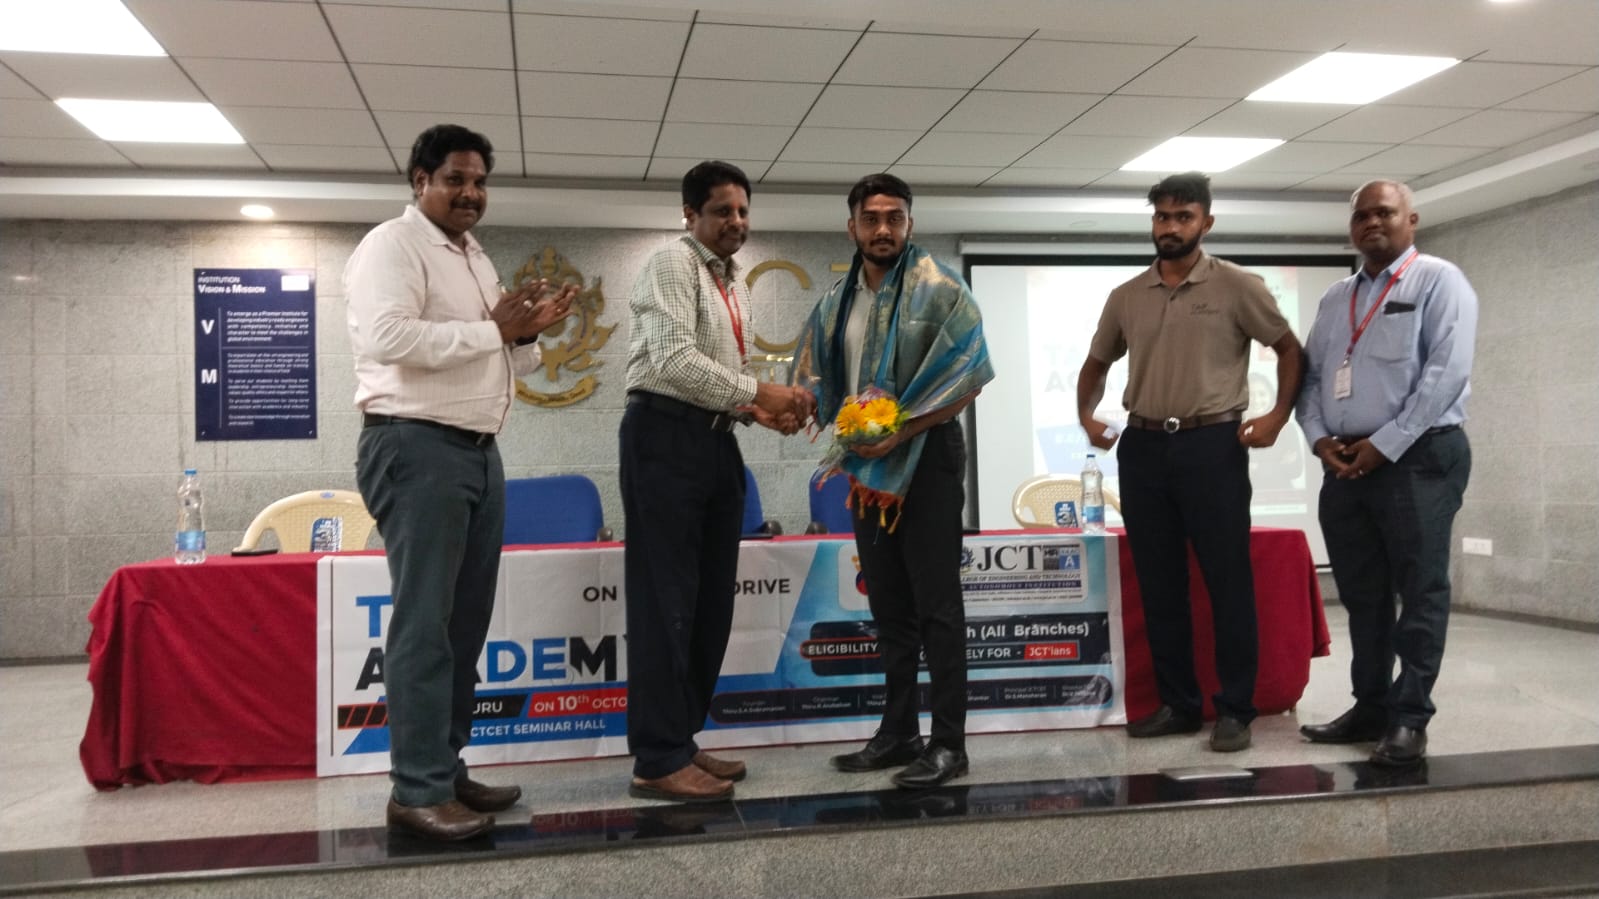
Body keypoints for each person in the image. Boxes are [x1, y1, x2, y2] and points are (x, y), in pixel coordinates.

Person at [346, 124, 577, 841]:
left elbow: (510, 361)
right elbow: (388, 338)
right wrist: (494, 332)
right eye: (455, 179)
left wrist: (527, 333)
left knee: (464, 624)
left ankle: (444, 770)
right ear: (420, 181)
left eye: (479, 181)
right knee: (425, 626)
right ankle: (415, 789)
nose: (471, 193)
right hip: (414, 444)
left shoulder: (474, 257)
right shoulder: (392, 244)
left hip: (478, 449)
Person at [1077, 171, 1302, 753]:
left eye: (1183, 216)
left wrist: (1278, 416)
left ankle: (1235, 710)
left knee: (1227, 582)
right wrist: (1087, 415)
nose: (1171, 227)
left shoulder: (1236, 285)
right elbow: (1096, 362)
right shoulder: (1127, 295)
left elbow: (1289, 349)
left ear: (1207, 221)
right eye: (1162, 216)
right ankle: (1178, 705)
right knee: (1160, 585)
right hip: (1144, 447)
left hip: (1212, 446)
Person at [793, 173, 994, 789]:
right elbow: (818, 377)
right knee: (888, 605)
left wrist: (900, 431)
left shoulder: (942, 290)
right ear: (851, 226)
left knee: (938, 606)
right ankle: (899, 731)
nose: (883, 229)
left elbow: (968, 378)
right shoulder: (837, 301)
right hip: (867, 468)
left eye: (895, 218)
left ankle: (949, 744)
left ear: (910, 223)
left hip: (927, 457)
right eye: (871, 218)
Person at [620, 160, 812, 803]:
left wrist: (759, 411)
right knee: (665, 603)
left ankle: (680, 738)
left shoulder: (734, 283)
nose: (736, 221)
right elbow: (674, 362)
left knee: (708, 606)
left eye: (743, 211)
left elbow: (718, 378)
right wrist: (759, 390)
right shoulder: (672, 264)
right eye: (722, 210)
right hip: (664, 438)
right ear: (690, 215)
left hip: (715, 442)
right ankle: (656, 757)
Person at [1296, 179, 1476, 767]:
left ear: (1411, 220)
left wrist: (1387, 443)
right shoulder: (1335, 297)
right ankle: (1370, 706)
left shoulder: (1440, 281)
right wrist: (1320, 438)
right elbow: (1312, 379)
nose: (1372, 222)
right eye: (1361, 216)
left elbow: (1445, 373)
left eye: (1385, 212)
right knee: (1363, 595)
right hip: (1346, 463)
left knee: (1420, 590)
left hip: (1419, 458)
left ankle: (1409, 718)